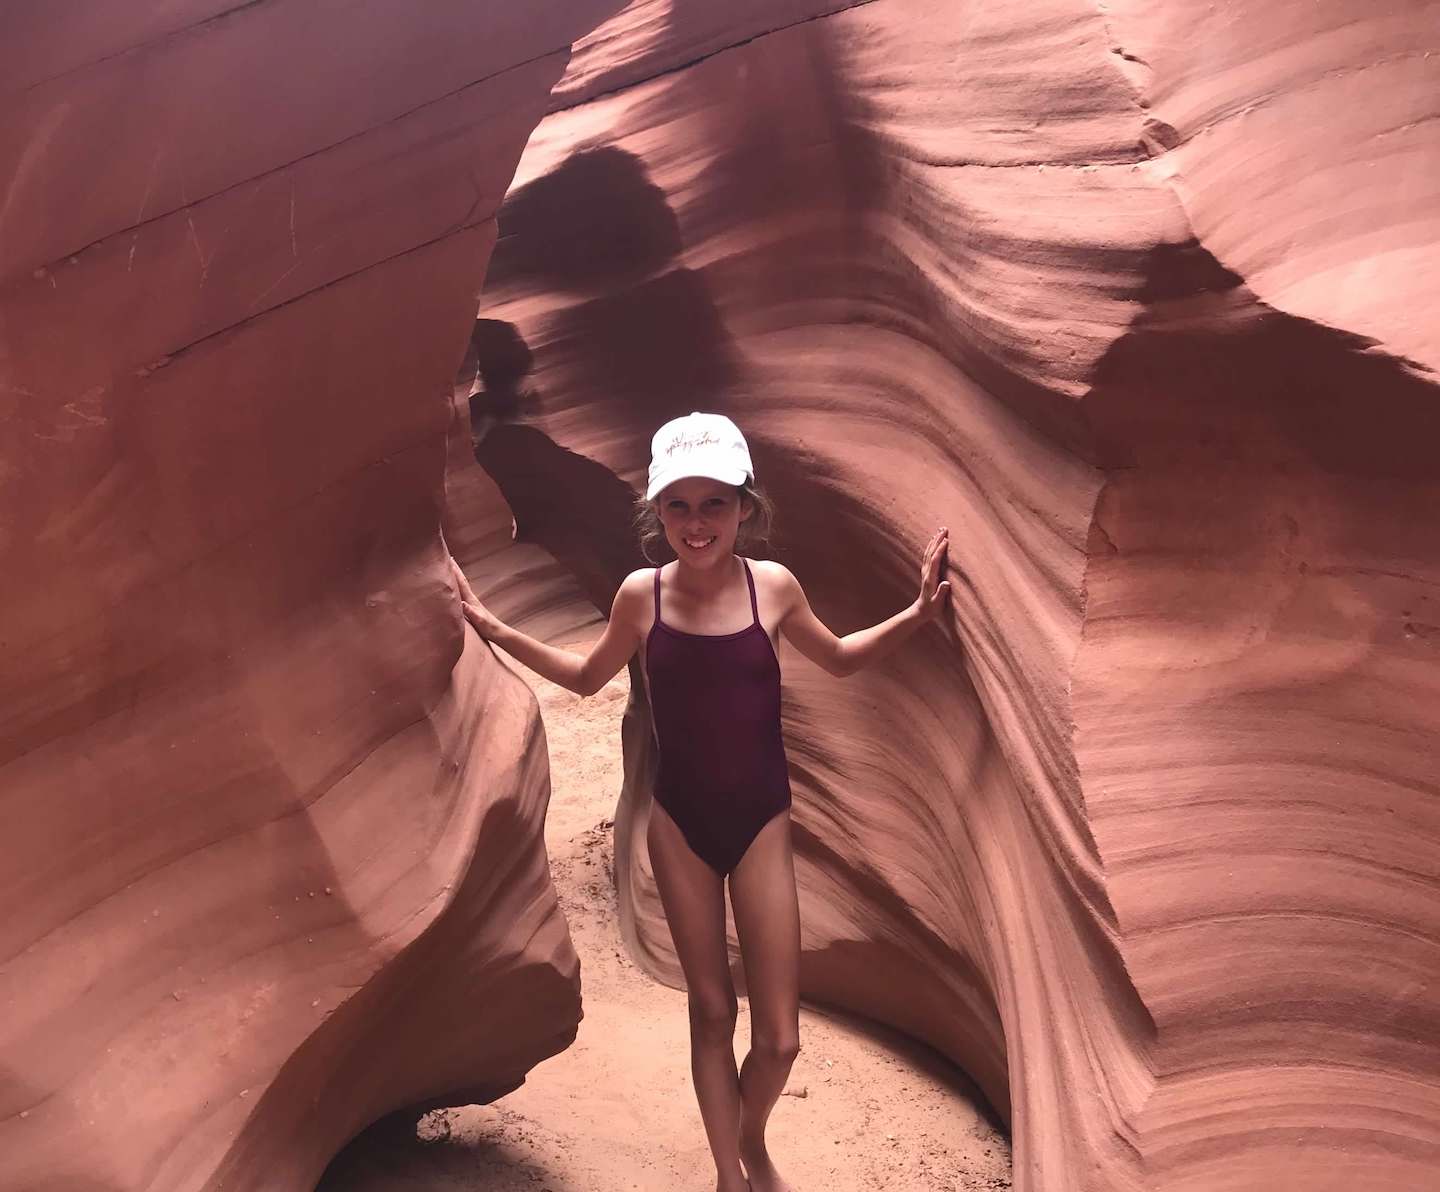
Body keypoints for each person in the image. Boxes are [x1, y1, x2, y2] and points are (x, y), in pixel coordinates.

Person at [450, 411, 951, 1192]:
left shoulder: (772, 587)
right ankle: (729, 1176)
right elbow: (586, 677)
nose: (696, 523)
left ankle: (750, 1140)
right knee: (712, 1013)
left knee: (779, 1039)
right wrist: (490, 625)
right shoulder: (641, 596)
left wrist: (917, 614)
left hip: (761, 824)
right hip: (680, 826)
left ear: (745, 506)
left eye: (714, 502)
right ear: (656, 511)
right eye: (677, 505)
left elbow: (841, 658)